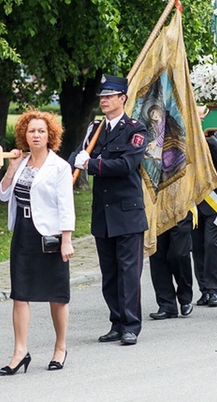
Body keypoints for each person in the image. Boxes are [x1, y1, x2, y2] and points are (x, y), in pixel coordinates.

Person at [69, 74, 148, 346]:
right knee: (110, 273)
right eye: (102, 96)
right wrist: (72, 163)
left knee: (129, 273)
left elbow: (126, 165)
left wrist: (91, 165)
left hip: (127, 213)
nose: (103, 100)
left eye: (109, 96)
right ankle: (116, 321)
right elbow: (77, 155)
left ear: (122, 98)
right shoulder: (95, 129)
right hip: (103, 214)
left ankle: (130, 325)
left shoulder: (135, 129)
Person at [0, 109, 74, 373]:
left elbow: (66, 205)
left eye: (41, 131)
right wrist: (11, 169)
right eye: (31, 131)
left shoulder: (59, 167)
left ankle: (60, 347)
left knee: (57, 295)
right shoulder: (21, 162)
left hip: (50, 235)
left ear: (50, 134)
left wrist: (67, 239)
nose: (36, 135)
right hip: (23, 231)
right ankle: (20, 351)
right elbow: (4, 194)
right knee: (21, 294)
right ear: (24, 135)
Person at [192, 131, 217, 307]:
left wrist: (210, 138)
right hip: (193, 198)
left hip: (214, 198)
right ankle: (204, 290)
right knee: (197, 246)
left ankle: (214, 290)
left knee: (212, 244)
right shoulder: (183, 131)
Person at [148, 213, 193, 320]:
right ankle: (166, 305)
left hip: (180, 208)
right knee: (157, 257)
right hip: (157, 211)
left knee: (179, 255)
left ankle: (185, 298)